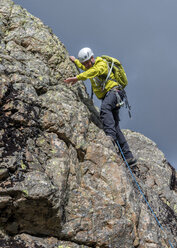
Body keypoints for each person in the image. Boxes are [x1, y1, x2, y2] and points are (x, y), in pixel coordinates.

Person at [64, 47, 136, 165]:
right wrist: (75, 61)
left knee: (105, 109)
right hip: (110, 95)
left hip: (114, 92)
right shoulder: (89, 65)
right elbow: (85, 68)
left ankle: (110, 137)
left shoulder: (101, 64)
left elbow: (93, 72)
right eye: (84, 63)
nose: (86, 65)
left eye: (87, 62)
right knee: (115, 125)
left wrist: (77, 78)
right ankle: (128, 156)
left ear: (92, 58)